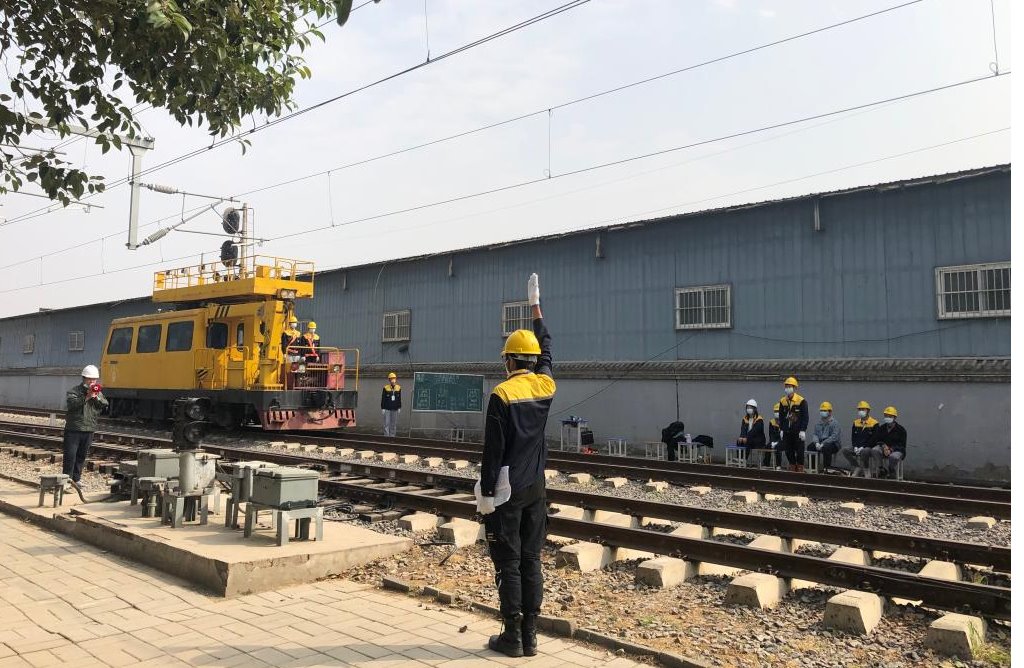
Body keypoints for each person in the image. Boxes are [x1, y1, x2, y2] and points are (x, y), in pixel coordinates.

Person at [476, 273, 554, 658]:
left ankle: (512, 637)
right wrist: (536, 307)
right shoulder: (546, 387)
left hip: (507, 491)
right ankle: (531, 636)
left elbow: (493, 451)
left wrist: (486, 495)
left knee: (508, 561)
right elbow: (548, 350)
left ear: (508, 360)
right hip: (536, 488)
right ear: (534, 361)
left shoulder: (501, 394)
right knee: (531, 559)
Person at [63, 365, 108, 488]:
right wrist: (87, 396)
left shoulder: (97, 392)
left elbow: (105, 404)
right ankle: (66, 480)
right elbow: (72, 404)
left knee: (81, 456)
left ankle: (76, 479)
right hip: (74, 429)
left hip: (89, 429)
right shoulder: (74, 391)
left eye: (94, 379)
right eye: (89, 379)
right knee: (70, 456)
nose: (92, 382)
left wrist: (96, 397)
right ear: (84, 378)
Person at [778, 376, 808, 472]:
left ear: (795, 388)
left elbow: (805, 417)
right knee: (788, 450)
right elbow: (781, 417)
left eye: (790, 386)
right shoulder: (783, 401)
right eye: (786, 386)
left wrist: (803, 430)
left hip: (798, 431)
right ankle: (792, 466)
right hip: (787, 431)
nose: (787, 388)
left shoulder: (801, 401)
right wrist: (781, 429)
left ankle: (800, 467)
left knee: (799, 451)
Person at [842, 400, 877, 477]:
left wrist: (863, 447)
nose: (861, 411)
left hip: (868, 447)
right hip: (857, 447)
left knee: (864, 451)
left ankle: (866, 469)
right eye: (859, 409)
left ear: (868, 411)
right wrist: (855, 446)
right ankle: (857, 466)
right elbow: (853, 437)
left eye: (863, 409)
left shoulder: (874, 423)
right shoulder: (856, 423)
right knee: (845, 450)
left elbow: (874, 439)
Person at [870, 406, 906, 478]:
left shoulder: (901, 430)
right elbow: (877, 440)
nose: (887, 418)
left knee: (893, 457)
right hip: (884, 448)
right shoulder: (882, 428)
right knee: (874, 450)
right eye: (886, 416)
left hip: (897, 450)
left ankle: (891, 470)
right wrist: (884, 446)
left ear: (894, 418)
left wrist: (891, 449)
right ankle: (881, 469)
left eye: (890, 416)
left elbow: (902, 446)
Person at [806, 401, 841, 472]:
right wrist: (816, 443)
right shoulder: (818, 423)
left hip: (833, 444)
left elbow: (834, 437)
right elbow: (815, 434)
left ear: (830, 412)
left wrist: (823, 443)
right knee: (810, 447)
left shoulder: (835, 423)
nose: (822, 412)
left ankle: (826, 469)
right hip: (820, 443)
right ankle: (813, 468)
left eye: (825, 410)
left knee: (826, 447)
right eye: (821, 410)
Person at [736, 399, 766, 464]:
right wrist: (741, 437)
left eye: (750, 407)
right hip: (748, 439)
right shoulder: (745, 419)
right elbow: (743, 429)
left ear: (755, 409)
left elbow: (754, 431)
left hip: (758, 440)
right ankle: (739, 458)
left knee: (747, 441)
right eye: (747, 407)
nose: (748, 409)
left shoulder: (759, 419)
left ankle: (744, 459)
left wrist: (746, 437)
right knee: (739, 441)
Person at [381, 373, 401, 437]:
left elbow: (399, 398)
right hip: (387, 408)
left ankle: (392, 436)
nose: (393, 380)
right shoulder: (385, 388)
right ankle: (386, 436)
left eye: (394, 378)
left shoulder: (398, 388)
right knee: (386, 423)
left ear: (396, 379)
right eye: (391, 379)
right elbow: (383, 398)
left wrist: (399, 407)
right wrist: (383, 408)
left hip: (395, 408)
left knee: (393, 424)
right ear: (389, 380)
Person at [768, 403, 783, 468]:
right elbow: (771, 434)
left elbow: (784, 436)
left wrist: (777, 442)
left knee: (778, 447)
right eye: (775, 411)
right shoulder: (772, 422)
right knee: (768, 446)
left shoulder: (785, 421)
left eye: (778, 411)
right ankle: (766, 464)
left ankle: (778, 465)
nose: (776, 413)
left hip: (782, 442)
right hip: (773, 440)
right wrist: (772, 442)